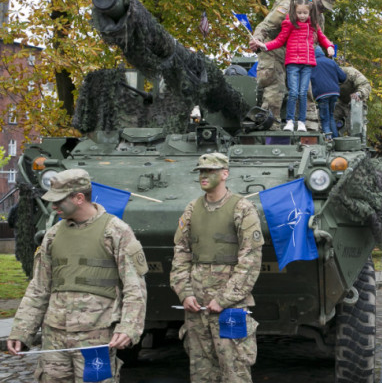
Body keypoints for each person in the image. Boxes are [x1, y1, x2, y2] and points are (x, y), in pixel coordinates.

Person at [6, 169, 148, 382]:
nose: (53, 206)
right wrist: (21, 331)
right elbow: (39, 288)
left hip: (95, 338)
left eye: (59, 201)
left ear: (79, 198)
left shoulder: (116, 231)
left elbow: (135, 287)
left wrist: (128, 327)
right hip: (55, 339)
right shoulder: (53, 235)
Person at [170, 153, 264, 382]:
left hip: (230, 308)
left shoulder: (242, 208)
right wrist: (185, 293)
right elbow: (181, 253)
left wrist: (224, 299)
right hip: (196, 308)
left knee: (235, 369)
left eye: (210, 171)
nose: (204, 176)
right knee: (201, 371)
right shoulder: (192, 209)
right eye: (201, 171)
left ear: (224, 174)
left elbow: (250, 260)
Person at [252, 0, 336, 124]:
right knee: (275, 86)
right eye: (321, 6)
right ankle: (271, 124)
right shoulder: (289, 6)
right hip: (274, 48)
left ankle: (308, 124)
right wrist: (257, 40)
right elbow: (266, 26)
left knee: (305, 88)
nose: (322, 11)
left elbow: (316, 39)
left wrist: (328, 47)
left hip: (298, 55)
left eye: (325, 9)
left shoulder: (318, 17)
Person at [310, 45, 346, 140]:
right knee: (330, 116)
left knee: (324, 118)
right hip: (334, 93)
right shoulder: (331, 62)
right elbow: (343, 77)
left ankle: (328, 138)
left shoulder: (311, 64)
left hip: (321, 93)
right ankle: (335, 138)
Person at [333, 66, 372, 136]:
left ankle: (356, 141)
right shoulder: (327, 76)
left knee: (354, 127)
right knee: (329, 117)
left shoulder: (350, 72)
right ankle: (331, 139)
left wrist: (358, 94)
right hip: (341, 103)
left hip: (356, 102)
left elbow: (365, 85)